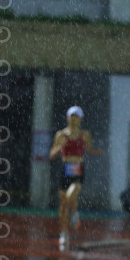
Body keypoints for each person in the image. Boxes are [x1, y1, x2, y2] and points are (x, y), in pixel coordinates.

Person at [49, 106, 103, 251]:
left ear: (81, 119)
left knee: (71, 195)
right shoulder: (61, 135)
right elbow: (52, 155)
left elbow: (90, 149)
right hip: (65, 170)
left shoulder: (85, 134)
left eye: (76, 116)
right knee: (63, 206)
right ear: (68, 117)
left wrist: (99, 152)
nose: (74, 119)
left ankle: (74, 212)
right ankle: (64, 234)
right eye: (71, 116)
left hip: (78, 169)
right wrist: (59, 146)